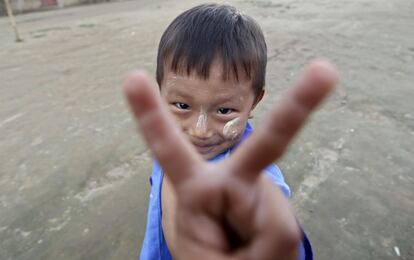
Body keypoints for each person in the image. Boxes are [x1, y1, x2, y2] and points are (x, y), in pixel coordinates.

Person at [123, 3, 338, 260]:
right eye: (182, 105)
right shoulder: (169, 145)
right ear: (160, 92)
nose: (199, 131)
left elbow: (274, 238)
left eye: (224, 111)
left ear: (254, 103)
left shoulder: (250, 184)